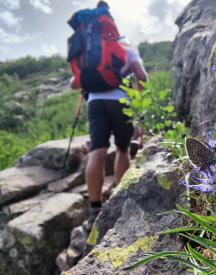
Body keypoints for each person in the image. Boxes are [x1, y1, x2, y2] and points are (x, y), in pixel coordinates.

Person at [70, 21, 148, 230]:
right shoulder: (126, 46)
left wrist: (93, 79)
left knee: (97, 151)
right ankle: (121, 197)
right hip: (121, 100)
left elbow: (73, 83)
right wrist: (138, 99)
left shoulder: (90, 50)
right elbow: (142, 76)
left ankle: (94, 209)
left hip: (95, 102)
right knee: (122, 149)